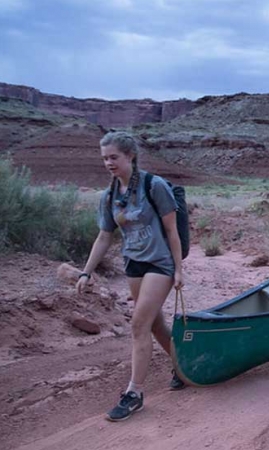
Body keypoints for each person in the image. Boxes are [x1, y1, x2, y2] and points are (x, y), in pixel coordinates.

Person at [76, 131, 186, 422]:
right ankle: (186, 367)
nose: (109, 163)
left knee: (138, 324)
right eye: (104, 159)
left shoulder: (154, 186)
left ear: (130, 156)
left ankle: (134, 393)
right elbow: (104, 236)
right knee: (155, 324)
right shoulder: (110, 195)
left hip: (159, 264)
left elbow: (173, 232)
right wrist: (86, 272)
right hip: (134, 265)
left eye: (114, 157)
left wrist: (179, 269)